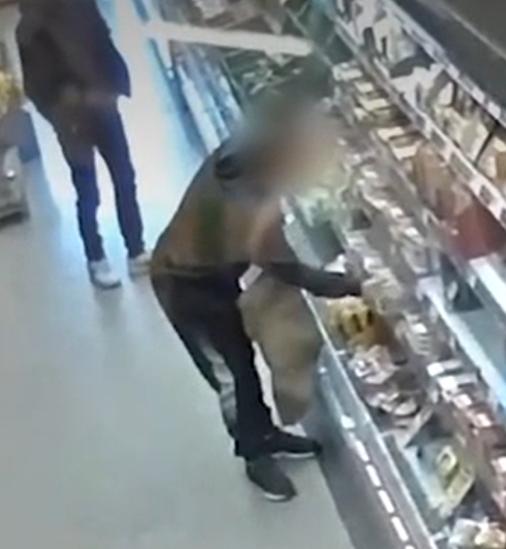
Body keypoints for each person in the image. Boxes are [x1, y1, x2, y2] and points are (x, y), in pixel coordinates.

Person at [150, 95, 361, 501]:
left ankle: (264, 432)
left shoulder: (239, 157)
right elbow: (290, 270)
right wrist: (355, 285)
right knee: (232, 375)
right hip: (183, 286)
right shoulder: (245, 203)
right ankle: (253, 456)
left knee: (241, 359)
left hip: (210, 274)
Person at [16, 0, 150, 288]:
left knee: (124, 177)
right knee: (88, 189)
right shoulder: (29, 29)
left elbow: (102, 39)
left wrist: (113, 85)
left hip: (103, 105)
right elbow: (37, 87)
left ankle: (136, 249)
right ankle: (96, 258)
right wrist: (63, 110)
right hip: (72, 121)